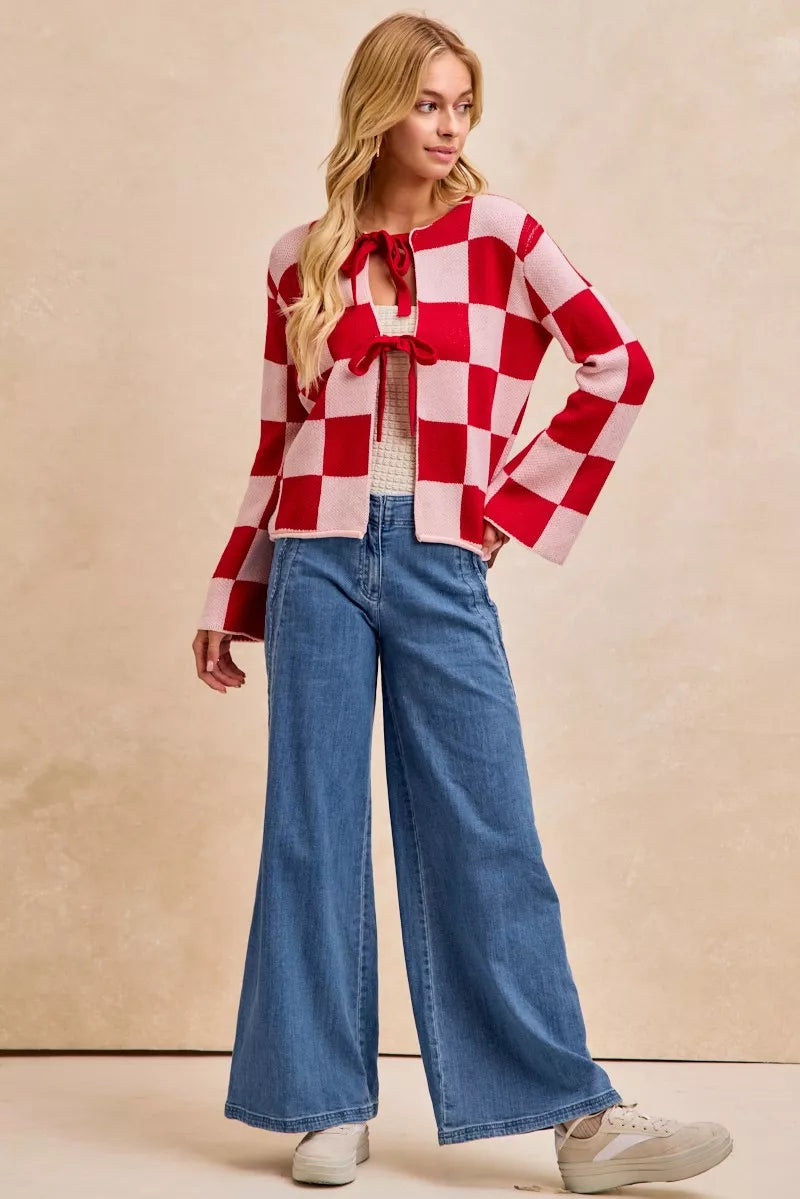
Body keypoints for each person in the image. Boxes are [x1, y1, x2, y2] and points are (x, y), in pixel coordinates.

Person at [192, 12, 733, 1195]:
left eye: (460, 106)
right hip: (313, 556)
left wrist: (503, 510)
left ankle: (574, 1117)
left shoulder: (502, 237)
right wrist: (235, 588)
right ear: (376, 107)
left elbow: (616, 364)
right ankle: (321, 1101)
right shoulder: (300, 257)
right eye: (427, 103)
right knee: (311, 827)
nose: (447, 127)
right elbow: (275, 434)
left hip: (441, 557)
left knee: (484, 825)